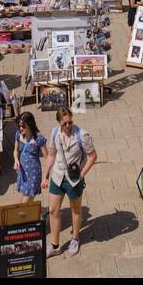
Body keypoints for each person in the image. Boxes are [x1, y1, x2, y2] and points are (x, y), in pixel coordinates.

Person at [42, 107, 97, 258]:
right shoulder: (54, 133)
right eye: (64, 123)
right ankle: (55, 246)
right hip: (58, 176)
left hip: (74, 180)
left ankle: (75, 238)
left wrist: (82, 174)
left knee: (76, 210)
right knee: (53, 210)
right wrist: (45, 176)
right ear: (59, 122)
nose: (68, 126)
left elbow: (92, 156)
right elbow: (51, 155)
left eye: (70, 122)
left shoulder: (81, 135)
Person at [14, 112, 46, 203]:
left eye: (23, 126)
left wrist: (44, 178)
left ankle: (32, 216)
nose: (21, 128)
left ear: (30, 124)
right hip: (22, 174)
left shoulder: (39, 139)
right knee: (18, 205)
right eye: (19, 126)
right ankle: (32, 216)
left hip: (33, 175)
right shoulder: (18, 135)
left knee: (25, 204)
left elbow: (47, 158)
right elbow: (15, 150)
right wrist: (16, 160)